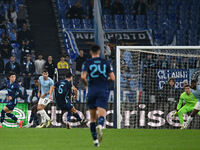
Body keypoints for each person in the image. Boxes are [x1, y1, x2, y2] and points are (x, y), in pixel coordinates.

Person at [81, 45, 115, 147]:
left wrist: (86, 85)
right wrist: (105, 79)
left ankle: (95, 141)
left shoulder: (87, 62)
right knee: (102, 111)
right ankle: (100, 125)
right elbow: (113, 78)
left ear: (91, 52)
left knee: (92, 118)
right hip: (102, 89)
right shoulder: (106, 62)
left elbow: (83, 77)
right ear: (99, 52)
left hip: (91, 90)